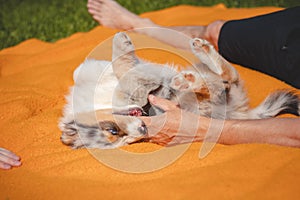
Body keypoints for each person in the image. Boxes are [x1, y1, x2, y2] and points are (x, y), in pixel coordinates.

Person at [87, 0, 300, 148]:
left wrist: (200, 129)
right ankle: (143, 26)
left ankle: (215, 78)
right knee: (214, 32)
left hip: (218, 106)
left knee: (202, 92)